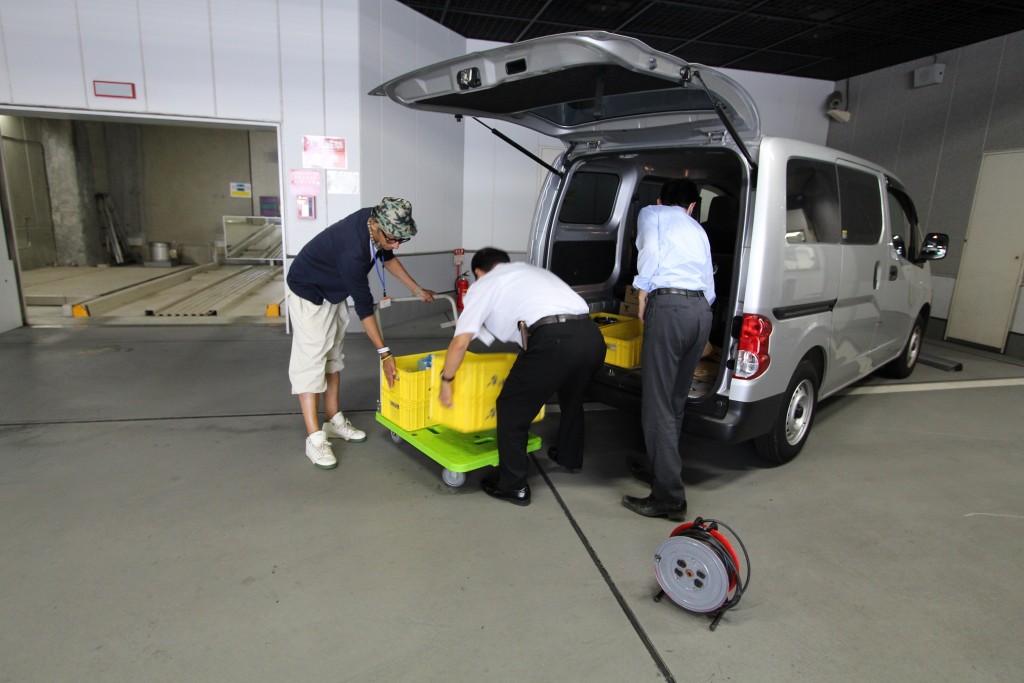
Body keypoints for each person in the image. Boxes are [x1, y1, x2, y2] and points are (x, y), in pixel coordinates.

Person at [438, 248, 606, 506]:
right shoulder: (532, 273)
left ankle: (513, 485)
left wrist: (446, 381)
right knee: (572, 397)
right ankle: (569, 456)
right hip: (592, 337)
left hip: (554, 340)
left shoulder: (486, 283)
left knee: (511, 408)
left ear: (479, 273)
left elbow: (461, 341)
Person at [286, 197, 435, 469]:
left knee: (332, 357)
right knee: (310, 362)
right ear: (376, 225)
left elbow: (387, 257)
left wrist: (417, 290)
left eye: (402, 239)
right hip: (309, 291)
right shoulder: (352, 249)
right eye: (393, 238)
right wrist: (384, 353)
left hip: (333, 291)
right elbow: (365, 307)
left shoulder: (375, 221)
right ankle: (314, 438)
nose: (396, 244)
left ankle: (333, 421)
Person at [622, 179, 715, 520]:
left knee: (657, 405)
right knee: (675, 401)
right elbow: (709, 279)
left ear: (661, 200)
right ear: (692, 206)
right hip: (700, 311)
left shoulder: (652, 212)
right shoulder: (698, 230)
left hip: (671, 308)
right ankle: (661, 470)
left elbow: (649, 252)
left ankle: (669, 497)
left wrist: (643, 296)